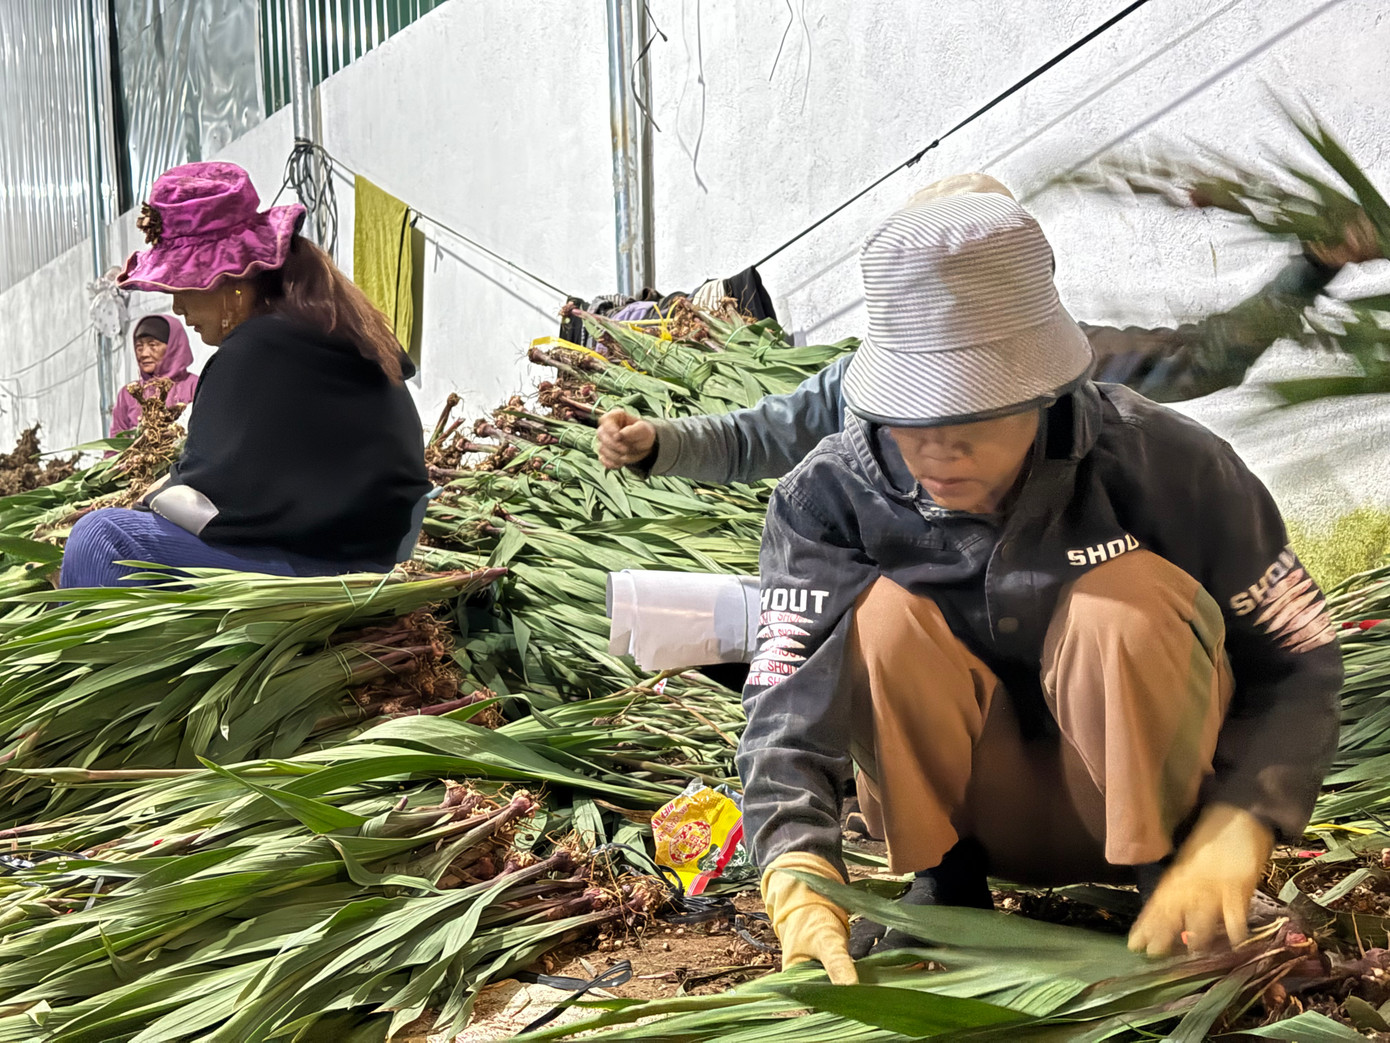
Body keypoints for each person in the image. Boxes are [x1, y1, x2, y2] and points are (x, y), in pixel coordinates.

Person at [732, 190, 1342, 984]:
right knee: (882, 617)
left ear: (1040, 388)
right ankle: (945, 893)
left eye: (972, 415)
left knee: (1122, 604)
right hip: (975, 818)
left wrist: (1245, 819)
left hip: (1144, 808)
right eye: (911, 415)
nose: (938, 448)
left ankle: (1170, 887)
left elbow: (1300, 655)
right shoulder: (829, 498)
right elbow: (785, 696)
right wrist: (795, 865)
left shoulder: (1164, 462)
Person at [595, 174, 1343, 482]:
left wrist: (1309, 267)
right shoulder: (862, 389)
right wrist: (657, 443)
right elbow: (757, 435)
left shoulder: (1072, 369)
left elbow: (1204, 360)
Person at [60, 161, 430, 589]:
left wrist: (151, 499)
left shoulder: (256, 351)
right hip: (368, 553)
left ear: (229, 281)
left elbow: (212, 509)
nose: (179, 308)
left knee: (100, 536)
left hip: (320, 567)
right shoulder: (332, 330)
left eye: (183, 287)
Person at [108, 314, 199, 436]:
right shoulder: (129, 394)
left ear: (173, 346)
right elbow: (114, 445)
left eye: (153, 345)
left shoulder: (195, 386)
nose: (144, 354)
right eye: (139, 346)